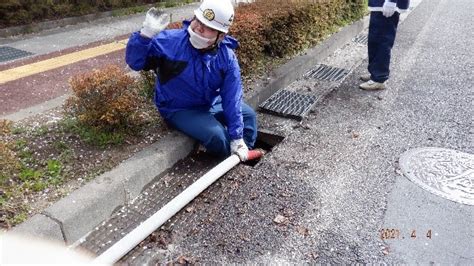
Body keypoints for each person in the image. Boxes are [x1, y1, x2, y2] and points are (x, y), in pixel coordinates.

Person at [125, 0, 257, 161]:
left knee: (248, 116)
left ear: (220, 36)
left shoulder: (226, 57)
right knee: (218, 137)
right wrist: (144, 36)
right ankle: (226, 161)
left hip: (210, 102)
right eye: (198, 20)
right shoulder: (170, 42)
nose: (199, 27)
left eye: (208, 27)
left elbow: (232, 97)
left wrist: (237, 138)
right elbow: (135, 63)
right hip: (179, 108)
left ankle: (244, 155)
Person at [359, 0, 410, 90]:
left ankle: (379, 78)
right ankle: (375, 73)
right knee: (375, 41)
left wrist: (391, 1)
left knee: (382, 41)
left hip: (388, 5)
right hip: (380, 4)